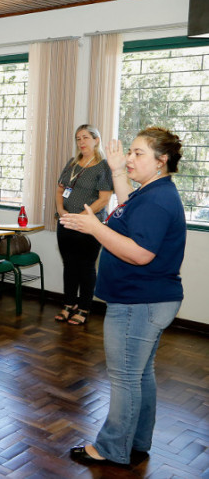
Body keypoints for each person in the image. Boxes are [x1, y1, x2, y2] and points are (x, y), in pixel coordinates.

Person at [60, 127, 186, 468]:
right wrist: (117, 171)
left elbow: (141, 253)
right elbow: (129, 207)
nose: (129, 158)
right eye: (129, 151)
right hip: (145, 300)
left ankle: (112, 449)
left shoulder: (159, 198)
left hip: (138, 303)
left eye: (137, 153)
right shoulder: (152, 192)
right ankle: (137, 442)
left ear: (161, 161)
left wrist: (95, 227)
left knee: (126, 379)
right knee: (141, 375)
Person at [54, 124, 113, 325]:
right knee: (69, 265)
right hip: (66, 223)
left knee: (86, 267)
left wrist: (79, 217)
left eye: (86, 137)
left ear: (96, 140)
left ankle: (85, 307)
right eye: (78, 138)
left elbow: (104, 199)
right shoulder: (72, 163)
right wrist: (62, 211)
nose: (81, 142)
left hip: (89, 225)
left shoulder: (103, 166)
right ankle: (69, 304)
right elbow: (60, 190)